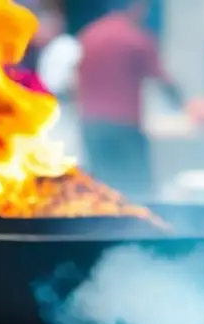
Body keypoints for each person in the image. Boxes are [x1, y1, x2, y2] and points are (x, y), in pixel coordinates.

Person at [75, 0, 182, 200]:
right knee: (138, 189)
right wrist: (183, 105)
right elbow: (164, 81)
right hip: (124, 127)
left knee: (101, 188)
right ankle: (135, 230)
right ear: (136, 6)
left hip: (90, 126)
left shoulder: (89, 35)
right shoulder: (134, 37)